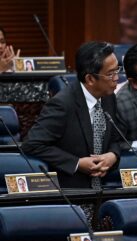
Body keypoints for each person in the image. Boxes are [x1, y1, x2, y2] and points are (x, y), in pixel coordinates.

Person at [22, 41, 121, 188]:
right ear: (90, 79)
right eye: (110, 74)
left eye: (117, 70)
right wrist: (76, 163)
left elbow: (116, 138)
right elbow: (32, 144)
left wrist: (112, 155)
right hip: (71, 191)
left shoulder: (108, 96)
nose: (117, 78)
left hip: (102, 189)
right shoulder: (62, 104)